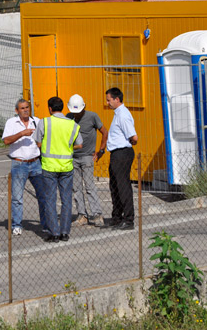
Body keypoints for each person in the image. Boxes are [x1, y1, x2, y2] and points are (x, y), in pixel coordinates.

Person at [34, 96, 82, 242]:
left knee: (50, 200)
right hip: (66, 166)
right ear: (63, 108)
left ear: (49, 108)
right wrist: (67, 148)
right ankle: (65, 232)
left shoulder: (44, 122)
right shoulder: (72, 124)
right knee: (66, 199)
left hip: (49, 166)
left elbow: (38, 142)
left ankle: (54, 232)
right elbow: (80, 144)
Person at [2, 99, 48, 236]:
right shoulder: (11, 122)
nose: (25, 110)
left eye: (27, 107)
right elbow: (6, 141)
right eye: (22, 108)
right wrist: (22, 133)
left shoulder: (37, 121)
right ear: (17, 110)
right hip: (19, 163)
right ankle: (16, 224)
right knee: (17, 197)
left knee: (43, 195)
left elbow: (43, 139)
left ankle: (45, 224)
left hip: (35, 163)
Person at [66, 94, 108, 228]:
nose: (76, 115)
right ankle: (82, 215)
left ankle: (97, 214)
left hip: (87, 156)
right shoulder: (68, 117)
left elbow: (104, 132)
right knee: (76, 187)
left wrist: (101, 150)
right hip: (72, 157)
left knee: (90, 187)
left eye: (78, 112)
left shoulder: (92, 116)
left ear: (84, 107)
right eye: (74, 112)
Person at [105, 87, 138, 230]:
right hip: (116, 153)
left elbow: (134, 137)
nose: (107, 103)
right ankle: (117, 217)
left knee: (123, 186)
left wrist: (129, 143)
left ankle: (128, 219)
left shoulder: (123, 114)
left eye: (109, 100)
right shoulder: (118, 113)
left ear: (117, 99)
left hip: (122, 153)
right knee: (115, 186)